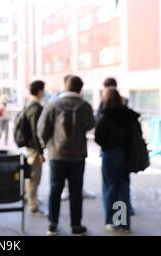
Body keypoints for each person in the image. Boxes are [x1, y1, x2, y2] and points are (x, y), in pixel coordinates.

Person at [38, 75, 95, 236]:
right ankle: (76, 226)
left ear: (65, 86)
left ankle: (52, 225)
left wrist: (47, 146)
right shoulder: (84, 106)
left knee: (55, 189)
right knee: (76, 191)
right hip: (78, 156)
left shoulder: (53, 104)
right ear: (80, 89)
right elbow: (91, 124)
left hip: (57, 155)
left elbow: (41, 128)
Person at [95, 88, 138, 234]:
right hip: (126, 154)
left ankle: (112, 221)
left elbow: (98, 136)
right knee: (123, 188)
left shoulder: (105, 115)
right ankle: (124, 223)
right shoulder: (128, 114)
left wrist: (107, 145)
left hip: (110, 155)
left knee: (110, 188)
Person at [24, 81, 45, 214]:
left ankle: (31, 199)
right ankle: (33, 205)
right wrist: (41, 151)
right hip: (34, 148)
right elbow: (36, 132)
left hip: (29, 146)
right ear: (39, 91)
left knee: (32, 176)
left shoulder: (29, 104)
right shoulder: (35, 107)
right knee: (34, 177)